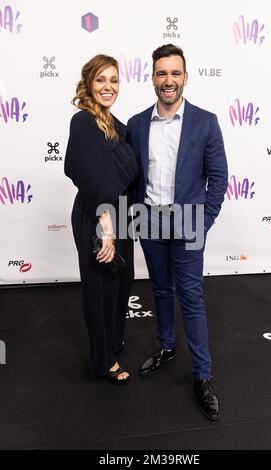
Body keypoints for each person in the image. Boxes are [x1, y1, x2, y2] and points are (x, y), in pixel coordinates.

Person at [127, 44, 228, 419]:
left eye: (175, 73)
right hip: (150, 221)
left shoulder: (206, 121)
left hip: (188, 221)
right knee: (161, 290)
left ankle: (202, 376)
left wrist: (203, 221)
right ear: (152, 77)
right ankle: (166, 347)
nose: (168, 80)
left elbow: (218, 179)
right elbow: (130, 174)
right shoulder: (137, 123)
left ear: (185, 77)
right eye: (161, 73)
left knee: (191, 297)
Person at [64, 54, 138, 384]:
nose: (108, 87)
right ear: (89, 84)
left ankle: (112, 342)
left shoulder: (116, 125)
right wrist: (106, 230)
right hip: (98, 216)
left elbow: (128, 174)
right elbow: (94, 179)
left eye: (114, 80)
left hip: (121, 215)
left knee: (121, 281)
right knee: (100, 286)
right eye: (101, 80)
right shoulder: (83, 122)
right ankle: (103, 361)